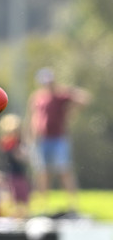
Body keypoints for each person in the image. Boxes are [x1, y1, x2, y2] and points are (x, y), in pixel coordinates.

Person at [27, 67, 91, 213]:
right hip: (41, 140)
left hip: (58, 138)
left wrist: (69, 96)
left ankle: (73, 205)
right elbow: (33, 117)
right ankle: (42, 205)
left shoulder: (61, 95)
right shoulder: (37, 97)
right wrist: (30, 136)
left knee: (64, 170)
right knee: (42, 173)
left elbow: (84, 99)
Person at [0, 113, 31, 219]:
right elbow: (12, 156)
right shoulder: (6, 142)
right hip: (11, 174)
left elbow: (25, 157)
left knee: (24, 195)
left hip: (21, 174)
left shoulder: (20, 142)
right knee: (13, 196)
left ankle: (24, 215)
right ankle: (15, 216)